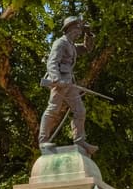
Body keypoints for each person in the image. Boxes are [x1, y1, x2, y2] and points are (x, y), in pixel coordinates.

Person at [38, 17, 95, 153]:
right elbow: (51, 62)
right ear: (70, 29)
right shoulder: (61, 43)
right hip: (60, 83)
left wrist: (89, 34)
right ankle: (43, 141)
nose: (79, 33)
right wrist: (57, 80)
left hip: (69, 83)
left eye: (80, 31)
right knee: (53, 110)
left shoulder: (71, 45)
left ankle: (79, 140)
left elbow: (88, 48)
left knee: (80, 111)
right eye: (78, 30)